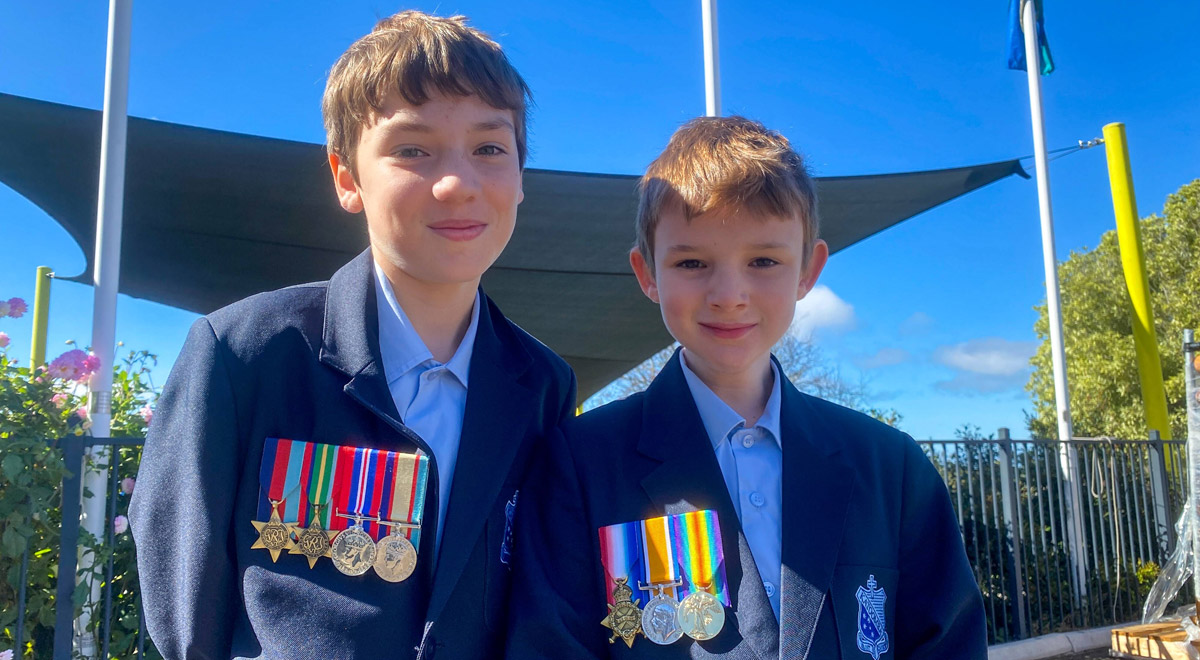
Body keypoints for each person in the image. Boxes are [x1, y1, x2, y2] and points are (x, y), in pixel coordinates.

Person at [130, 11, 574, 660]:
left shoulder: (542, 385)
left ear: (521, 176)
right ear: (346, 177)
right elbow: (184, 605)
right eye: (412, 150)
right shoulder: (244, 354)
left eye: (490, 148)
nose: (457, 183)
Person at [506, 116, 986, 658]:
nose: (729, 294)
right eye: (692, 262)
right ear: (647, 273)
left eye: (763, 260)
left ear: (808, 268)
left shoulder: (891, 470)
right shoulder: (579, 464)